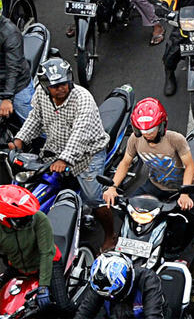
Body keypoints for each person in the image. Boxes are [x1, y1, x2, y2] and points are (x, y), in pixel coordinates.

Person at [8, 58, 116, 252]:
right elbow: (35, 119)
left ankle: (110, 235)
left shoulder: (82, 98)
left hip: (88, 153)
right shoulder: (41, 94)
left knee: (93, 197)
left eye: (64, 83)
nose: (61, 89)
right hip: (55, 149)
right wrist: (19, 140)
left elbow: (79, 135)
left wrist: (63, 159)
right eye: (55, 86)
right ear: (45, 86)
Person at [102, 98, 194, 259]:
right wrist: (112, 187)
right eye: (143, 130)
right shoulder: (135, 140)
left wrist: (184, 193)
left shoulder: (175, 139)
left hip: (184, 187)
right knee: (127, 211)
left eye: (152, 128)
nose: (147, 133)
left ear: (162, 125)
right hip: (155, 185)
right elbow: (125, 163)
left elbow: (190, 166)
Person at [0, 185, 75, 317]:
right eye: (21, 219)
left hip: (48, 264)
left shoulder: (39, 218)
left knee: (64, 308)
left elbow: (46, 254)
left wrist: (43, 287)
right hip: (18, 267)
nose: (29, 221)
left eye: (29, 216)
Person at [74, 251, 169, 319]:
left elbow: (153, 315)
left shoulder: (148, 280)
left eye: (112, 294)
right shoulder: (98, 284)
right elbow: (84, 312)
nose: (110, 298)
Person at [0, 0, 35, 123]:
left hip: (16, 87)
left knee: (33, 126)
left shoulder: (10, 33)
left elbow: (13, 68)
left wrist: (7, 98)